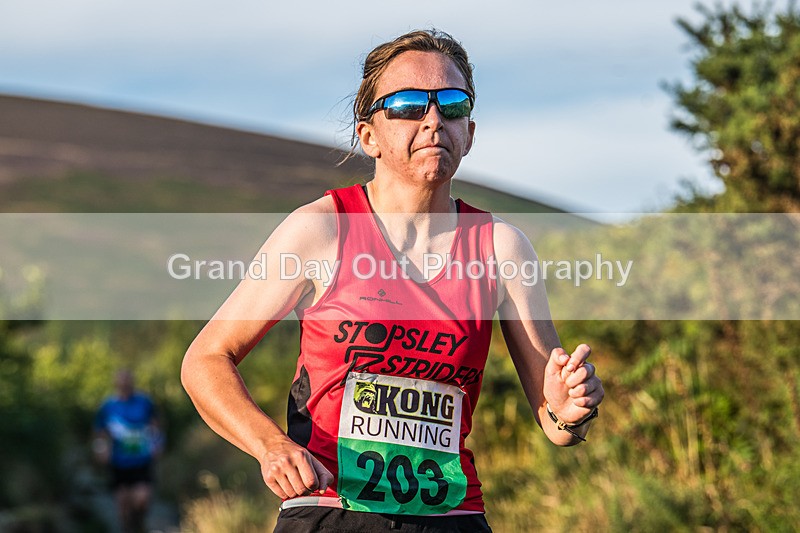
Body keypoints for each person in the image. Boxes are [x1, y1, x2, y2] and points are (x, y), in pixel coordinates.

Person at [181, 29, 604, 532]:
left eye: (452, 103)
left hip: (453, 519)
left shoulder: (501, 247)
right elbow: (205, 360)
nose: (432, 120)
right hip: (330, 511)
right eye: (406, 104)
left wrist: (569, 409)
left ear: (469, 132)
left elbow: (556, 424)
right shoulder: (321, 229)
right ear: (369, 136)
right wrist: (269, 445)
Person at [94, 369, 162, 533]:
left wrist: (158, 443)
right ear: (116, 384)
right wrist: (101, 450)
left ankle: (140, 524)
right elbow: (99, 432)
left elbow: (156, 425)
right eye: (121, 382)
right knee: (123, 504)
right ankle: (128, 528)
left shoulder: (144, 402)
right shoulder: (108, 406)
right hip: (118, 462)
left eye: (127, 382)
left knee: (142, 499)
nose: (124, 385)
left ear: (132, 383)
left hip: (142, 460)